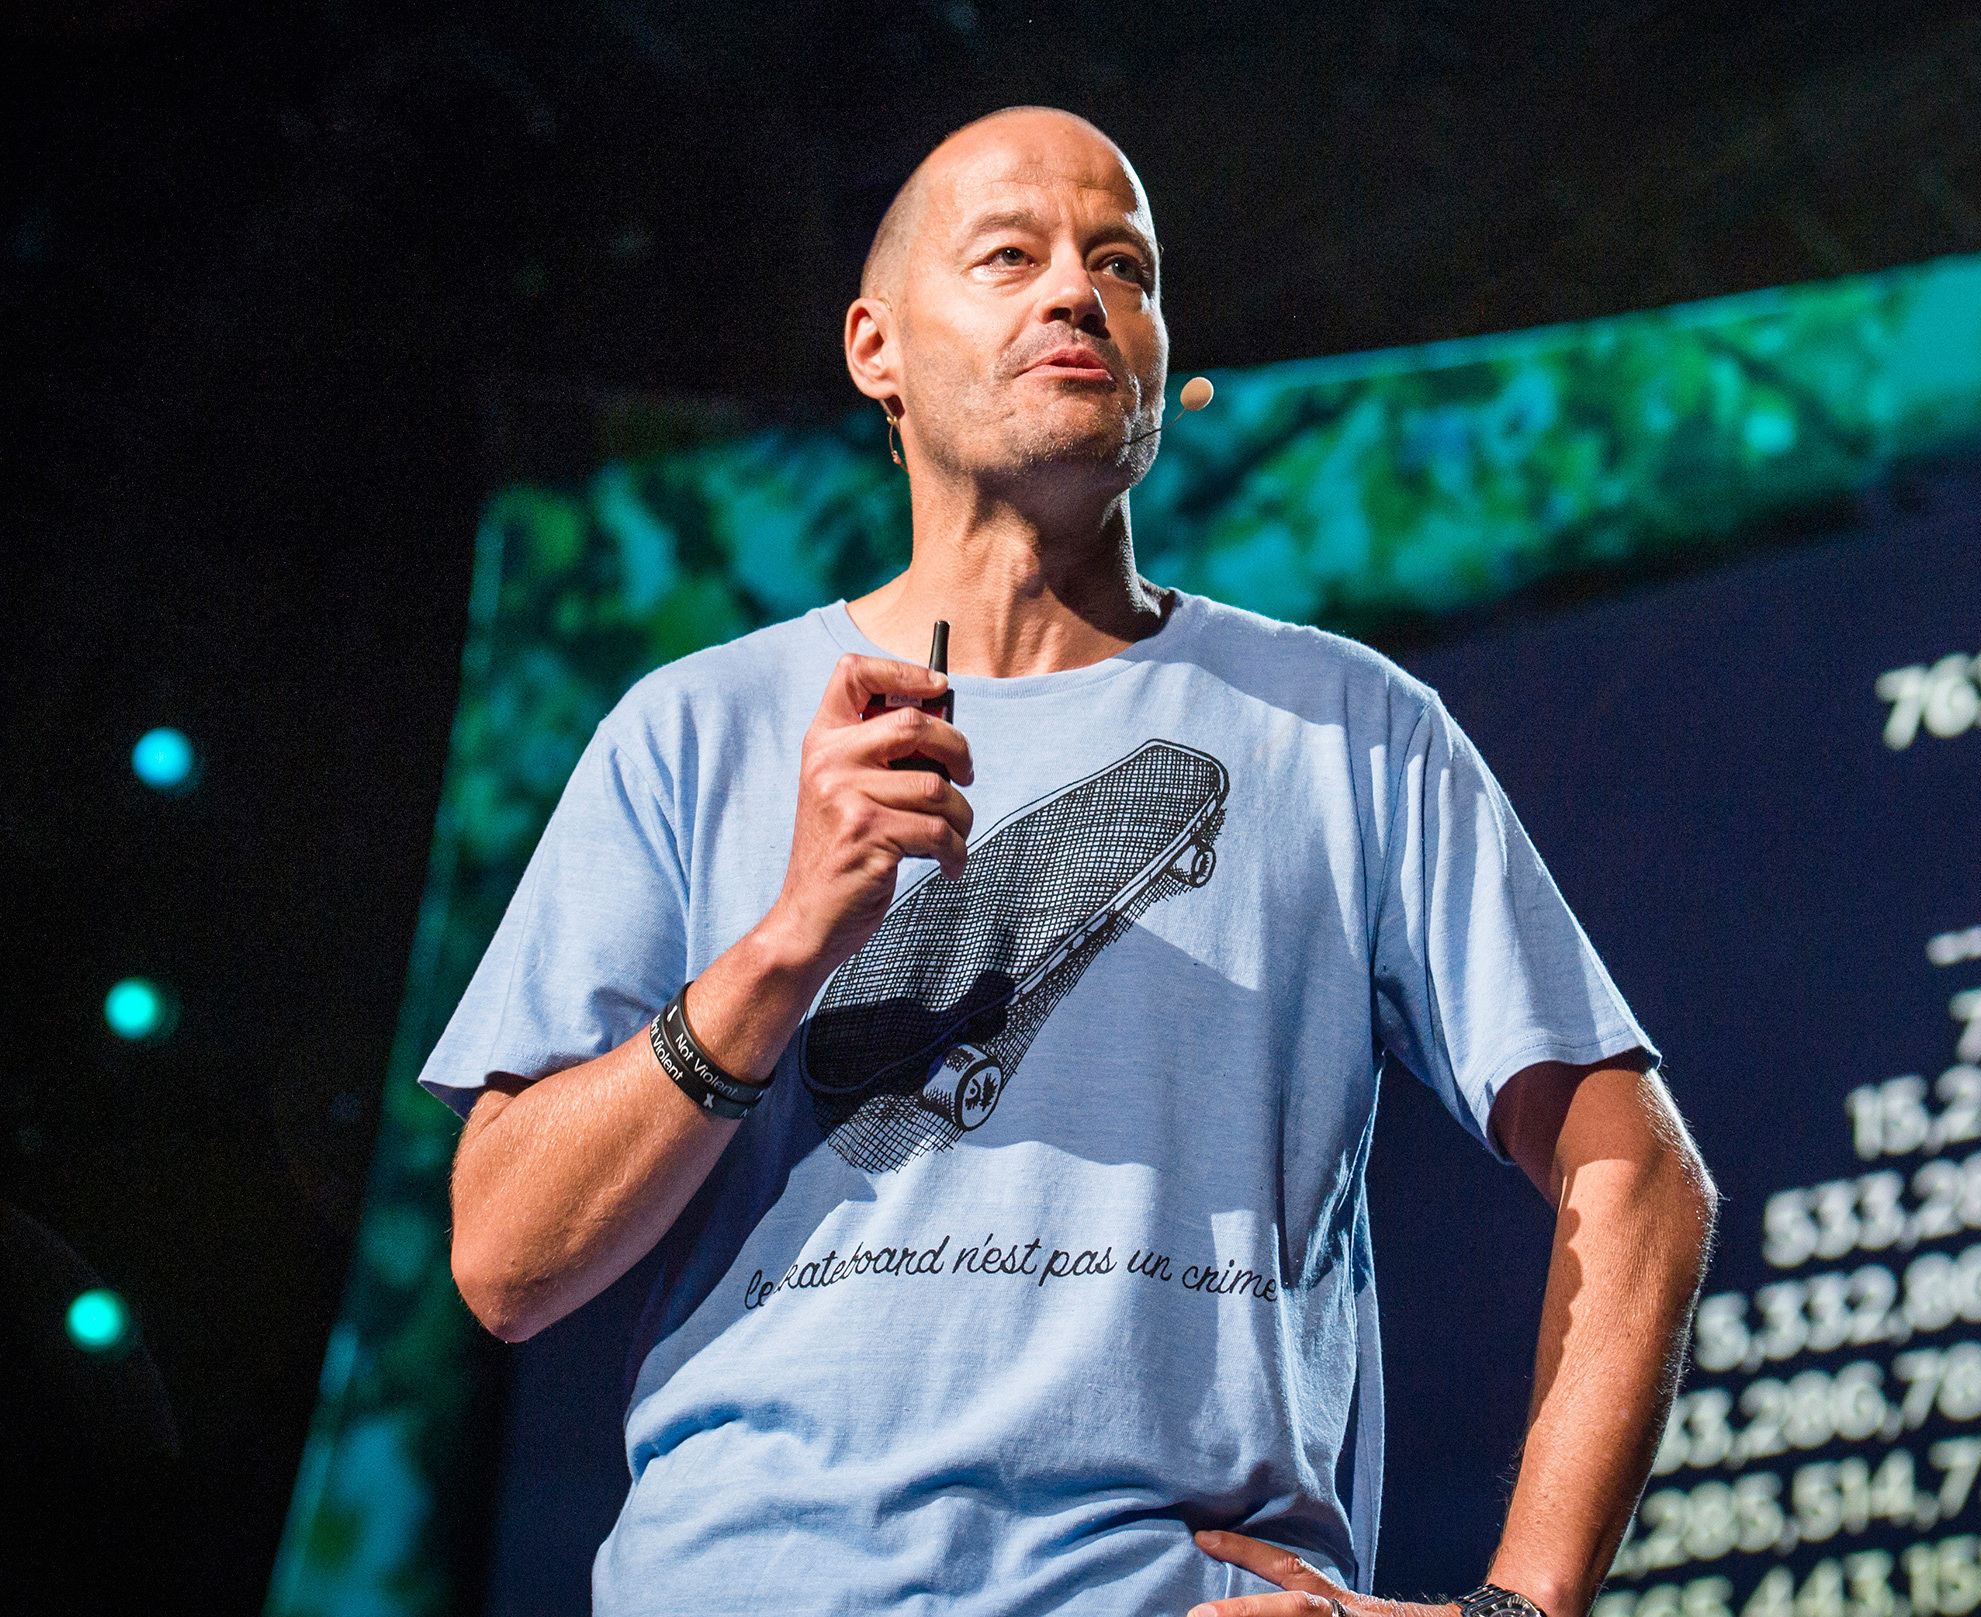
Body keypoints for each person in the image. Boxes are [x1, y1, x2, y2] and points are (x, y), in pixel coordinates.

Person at [428, 105, 1718, 1617]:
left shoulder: (1344, 726)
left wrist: (1518, 1609)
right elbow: (507, 1261)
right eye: (1007, 255)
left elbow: (1636, 1167)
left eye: (1123, 265)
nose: (1074, 294)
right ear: (875, 350)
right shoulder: (694, 728)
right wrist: (787, 943)